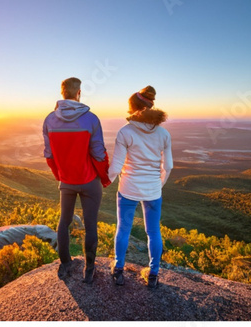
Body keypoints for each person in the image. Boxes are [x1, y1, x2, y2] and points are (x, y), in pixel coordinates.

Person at [43, 77, 111, 283]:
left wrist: (60, 176)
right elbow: (98, 153)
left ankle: (65, 264)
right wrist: (104, 175)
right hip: (90, 180)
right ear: (78, 93)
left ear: (62, 93)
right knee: (91, 224)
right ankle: (89, 269)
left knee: (64, 222)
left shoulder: (49, 120)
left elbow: (49, 155)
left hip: (67, 182)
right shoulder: (91, 119)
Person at [108, 86, 173, 288]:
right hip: (153, 191)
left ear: (133, 108)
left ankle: (118, 270)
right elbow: (168, 166)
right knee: (153, 232)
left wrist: (106, 182)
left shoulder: (125, 132)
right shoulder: (163, 134)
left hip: (128, 189)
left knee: (123, 229)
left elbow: (116, 166)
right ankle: (153, 274)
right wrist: (158, 184)